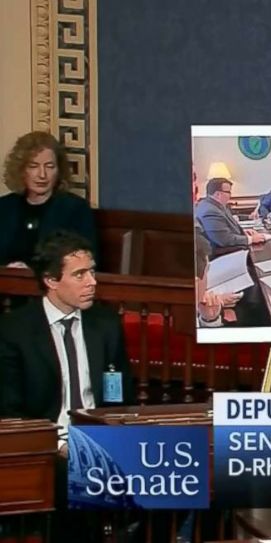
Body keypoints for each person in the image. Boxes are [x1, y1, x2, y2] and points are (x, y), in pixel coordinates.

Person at [0, 231, 135, 455]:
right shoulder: (14, 331)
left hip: (100, 438)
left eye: (92, 271)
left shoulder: (106, 325)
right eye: (79, 275)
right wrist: (59, 446)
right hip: (44, 445)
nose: (92, 282)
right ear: (51, 280)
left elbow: (119, 397)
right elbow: (9, 412)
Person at [0, 131, 98, 268]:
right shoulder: (4, 207)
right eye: (33, 166)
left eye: (50, 166)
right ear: (21, 170)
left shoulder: (75, 209)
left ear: (59, 170)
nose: (42, 175)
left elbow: (85, 262)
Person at [195, 177, 266, 250]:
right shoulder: (210, 211)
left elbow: (224, 228)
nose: (230, 195)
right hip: (224, 253)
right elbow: (224, 239)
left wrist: (242, 232)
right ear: (218, 194)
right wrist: (250, 239)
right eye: (228, 192)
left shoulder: (216, 205)